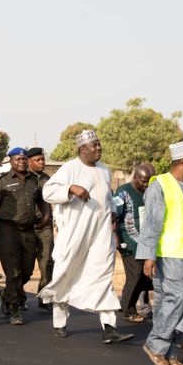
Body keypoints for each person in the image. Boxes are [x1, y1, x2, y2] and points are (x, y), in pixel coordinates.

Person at [38, 130, 132, 343]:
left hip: (100, 234)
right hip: (74, 234)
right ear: (83, 149)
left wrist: (112, 214)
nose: (99, 148)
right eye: (95, 145)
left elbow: (107, 198)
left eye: (99, 145)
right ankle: (60, 322)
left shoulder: (105, 170)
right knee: (66, 273)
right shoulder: (69, 168)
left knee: (103, 275)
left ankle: (109, 327)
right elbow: (48, 192)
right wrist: (71, 188)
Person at [137, 140, 183, 365]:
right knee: (180, 297)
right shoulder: (160, 184)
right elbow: (151, 223)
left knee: (173, 302)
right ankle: (155, 344)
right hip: (169, 252)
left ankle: (170, 351)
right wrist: (148, 255)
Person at [0, 148, 44, 325]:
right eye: (18, 159)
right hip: (8, 230)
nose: (22, 161)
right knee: (13, 271)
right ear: (10, 161)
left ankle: (6, 293)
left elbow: (42, 201)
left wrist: (46, 216)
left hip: (28, 230)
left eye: (24, 159)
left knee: (27, 271)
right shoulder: (2, 181)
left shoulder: (35, 180)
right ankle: (15, 309)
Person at [114, 164, 155, 323]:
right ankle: (128, 309)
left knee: (144, 277)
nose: (145, 185)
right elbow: (114, 216)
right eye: (143, 181)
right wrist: (116, 238)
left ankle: (124, 303)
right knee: (135, 275)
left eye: (148, 182)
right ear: (135, 177)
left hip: (147, 243)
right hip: (128, 242)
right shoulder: (123, 191)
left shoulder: (151, 192)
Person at [27, 147, 55, 312]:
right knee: (25, 265)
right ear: (29, 161)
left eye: (42, 159)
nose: (42, 163)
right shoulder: (25, 178)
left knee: (47, 262)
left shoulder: (48, 179)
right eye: (38, 160)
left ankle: (44, 297)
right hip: (27, 226)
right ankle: (14, 295)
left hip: (45, 226)